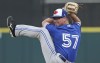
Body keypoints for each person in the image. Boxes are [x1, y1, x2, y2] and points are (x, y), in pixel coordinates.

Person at [7, 2, 81, 63]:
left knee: (42, 31)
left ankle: (15, 30)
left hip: (61, 61)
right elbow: (78, 21)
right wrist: (70, 13)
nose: (55, 20)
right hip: (56, 59)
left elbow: (44, 22)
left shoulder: (56, 29)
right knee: (42, 31)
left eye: (57, 18)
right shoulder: (75, 28)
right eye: (54, 18)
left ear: (65, 18)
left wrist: (66, 11)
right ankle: (14, 30)